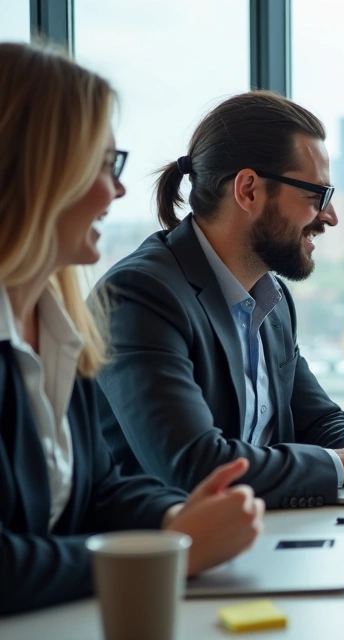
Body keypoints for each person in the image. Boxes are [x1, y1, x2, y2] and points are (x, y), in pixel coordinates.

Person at [0, 42, 262, 614]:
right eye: (104, 164)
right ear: (38, 171)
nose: (117, 191)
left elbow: (98, 488)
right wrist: (174, 549)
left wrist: (177, 518)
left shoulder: (59, 327)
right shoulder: (138, 292)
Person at [95, 91, 344, 510]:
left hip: (262, 530)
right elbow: (194, 465)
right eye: (317, 196)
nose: (330, 217)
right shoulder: (141, 295)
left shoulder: (272, 298)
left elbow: (318, 418)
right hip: (170, 556)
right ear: (248, 190)